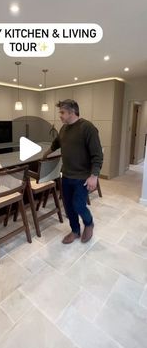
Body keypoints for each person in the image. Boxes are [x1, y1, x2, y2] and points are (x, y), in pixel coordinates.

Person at [43, 99, 103, 244]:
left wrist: (94, 176)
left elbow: (97, 155)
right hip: (67, 175)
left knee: (78, 204)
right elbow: (57, 143)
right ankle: (75, 230)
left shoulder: (87, 128)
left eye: (62, 112)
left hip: (83, 176)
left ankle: (89, 223)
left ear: (72, 112)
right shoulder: (64, 129)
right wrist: (46, 153)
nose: (60, 116)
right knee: (68, 206)